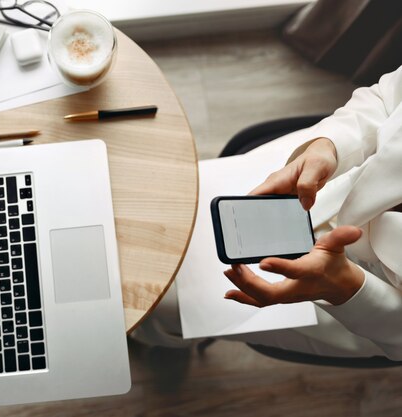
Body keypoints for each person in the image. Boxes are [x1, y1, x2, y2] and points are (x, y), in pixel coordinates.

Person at [132, 65, 402, 360]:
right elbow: (388, 97)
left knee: (160, 302)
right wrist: (330, 145)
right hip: (332, 176)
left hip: (360, 293)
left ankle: (158, 339)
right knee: (156, 202)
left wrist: (348, 290)